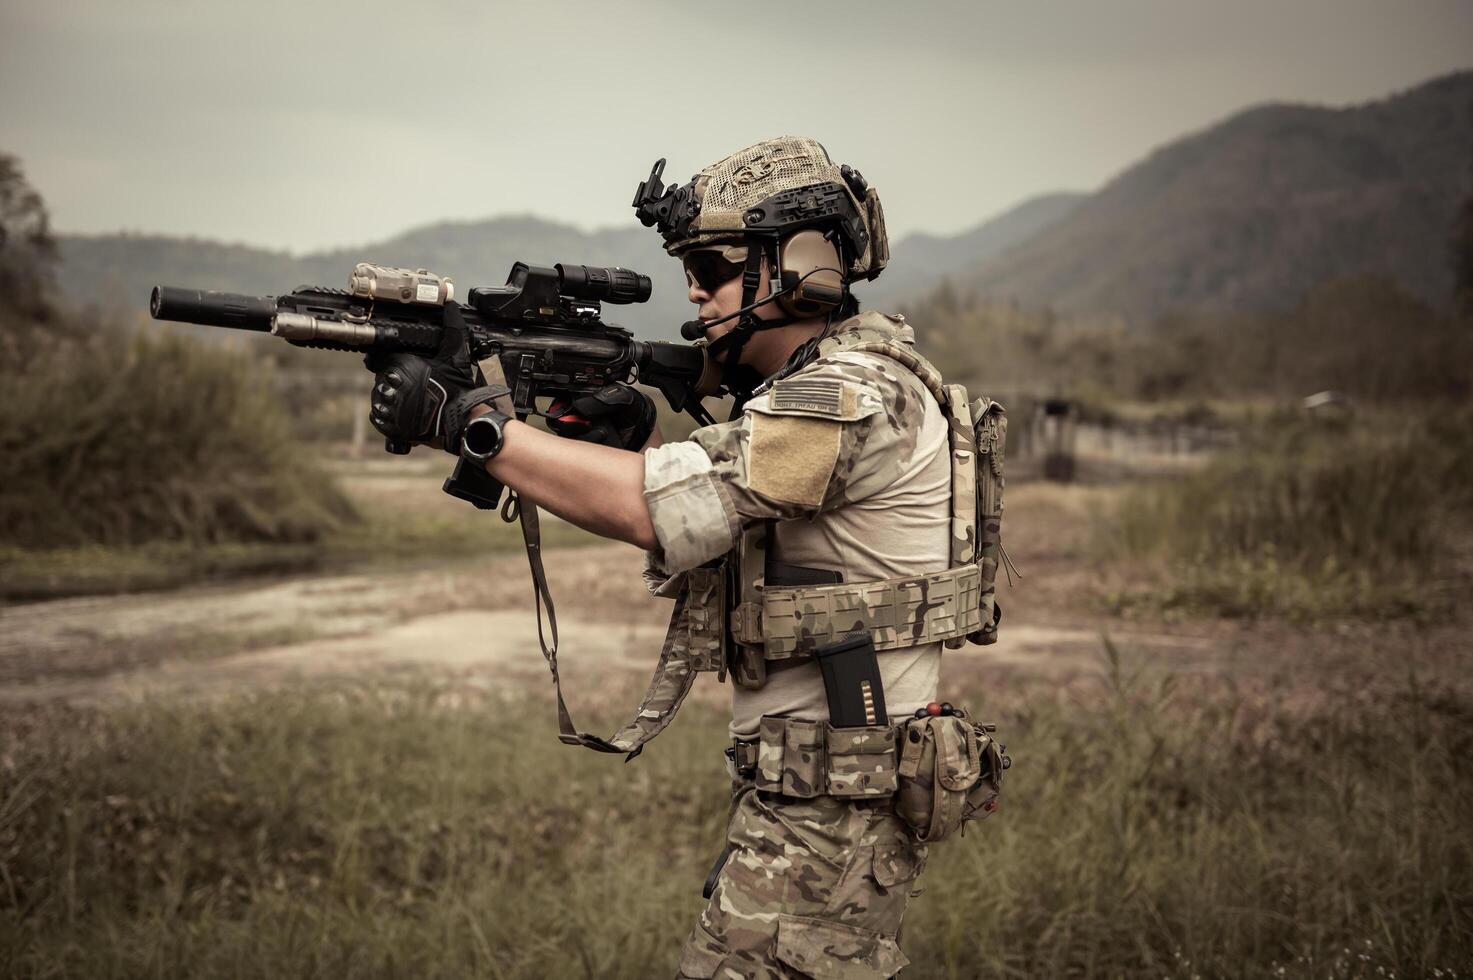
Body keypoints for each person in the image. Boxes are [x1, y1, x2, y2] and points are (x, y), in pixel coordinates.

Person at [365, 136, 1003, 979]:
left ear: (801, 263)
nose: (695, 290)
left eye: (713, 265)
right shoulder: (813, 388)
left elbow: (656, 508)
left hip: (831, 807)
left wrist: (475, 429)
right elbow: (711, 508)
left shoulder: (851, 393)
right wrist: (638, 441)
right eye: (688, 268)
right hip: (813, 795)